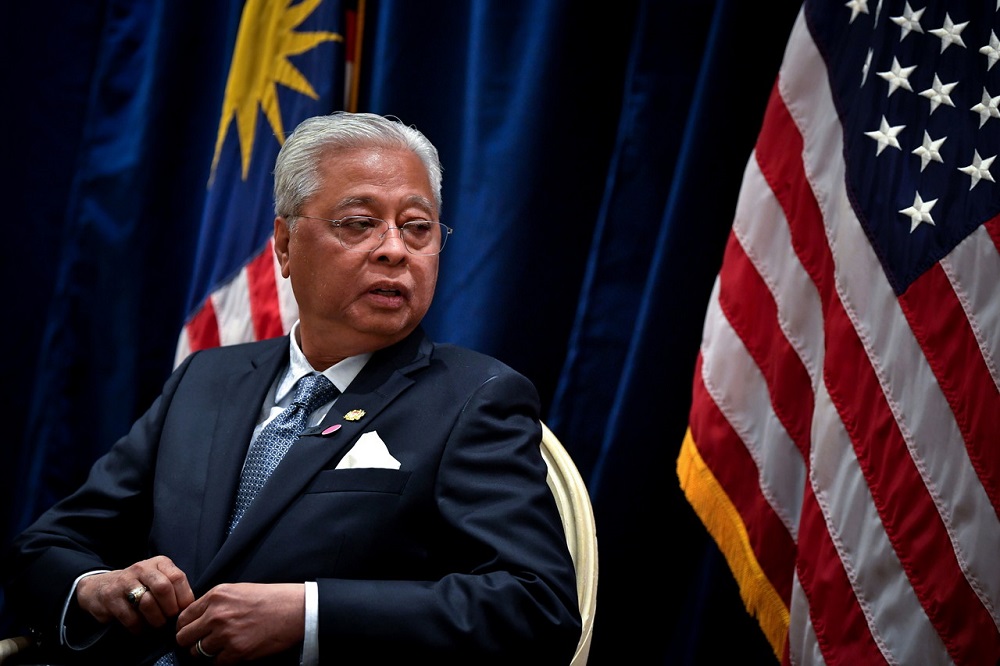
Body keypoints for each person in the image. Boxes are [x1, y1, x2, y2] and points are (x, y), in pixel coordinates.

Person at [3, 111, 582, 665]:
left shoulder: (476, 397)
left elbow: (537, 607)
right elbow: (43, 549)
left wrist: (309, 616)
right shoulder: (207, 379)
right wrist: (98, 587)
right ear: (283, 245)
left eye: (417, 227)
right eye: (358, 223)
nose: (393, 249)